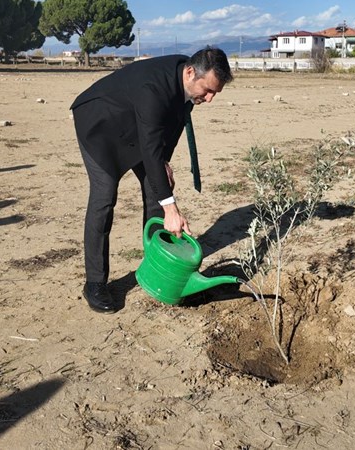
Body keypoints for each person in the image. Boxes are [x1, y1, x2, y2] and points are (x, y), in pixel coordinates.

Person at [70, 46, 233, 313]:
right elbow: (150, 143)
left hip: (137, 127)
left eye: (216, 92)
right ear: (191, 73)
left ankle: (159, 268)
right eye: (208, 90)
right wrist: (171, 208)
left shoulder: (187, 83)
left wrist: (164, 164)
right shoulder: (154, 88)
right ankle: (95, 283)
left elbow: (169, 128)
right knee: (104, 196)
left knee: (158, 187)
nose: (210, 98)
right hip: (100, 125)